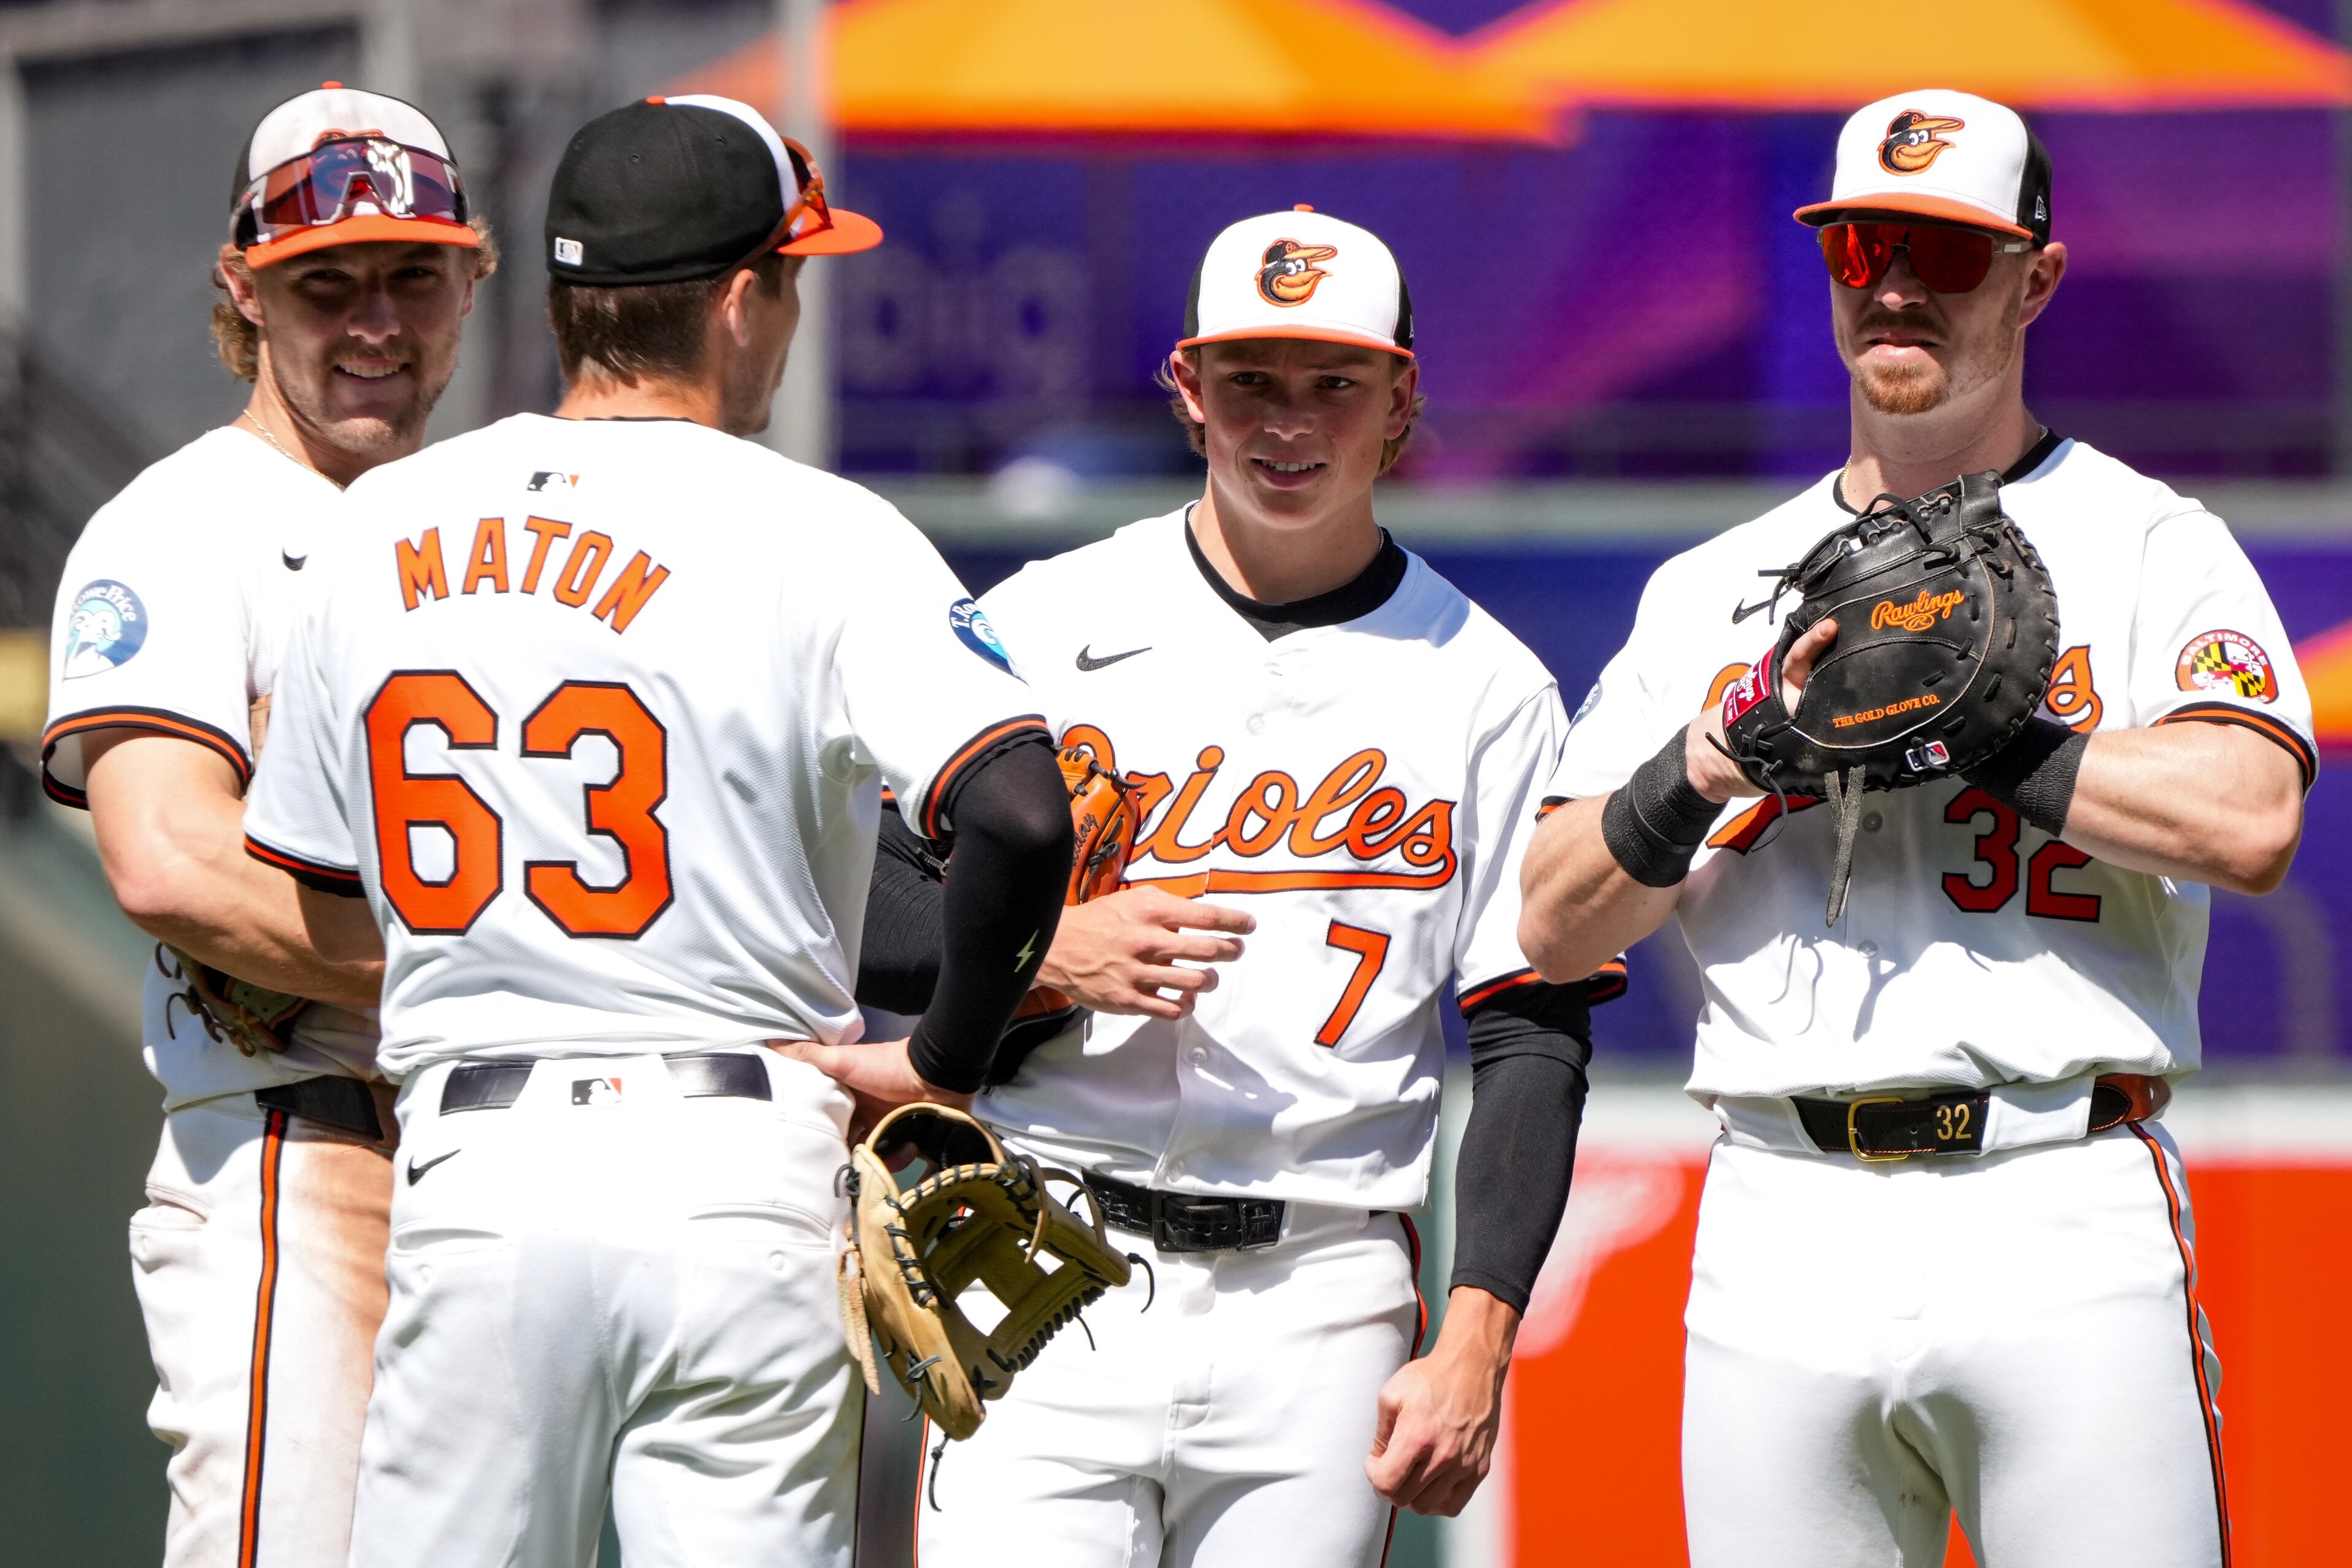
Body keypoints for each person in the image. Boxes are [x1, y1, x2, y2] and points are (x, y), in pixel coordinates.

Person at [236, 94, 1074, 1566]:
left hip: (471, 1176)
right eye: (795, 280)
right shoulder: (822, 529)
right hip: (735, 1170)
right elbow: (1017, 811)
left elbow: (312, 888)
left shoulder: (380, 524)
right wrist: (940, 1062)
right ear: (742, 299)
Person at [1519, 89, 2312, 1568]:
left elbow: (2255, 815)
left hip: (2058, 1195)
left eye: (1946, 253)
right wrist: (1712, 762)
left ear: (2037, 276)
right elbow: (1553, 919)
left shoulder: (2151, 542)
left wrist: (1998, 735)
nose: (1894, 283)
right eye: (1863, 243)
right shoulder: (1714, 588)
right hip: (1779, 1215)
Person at [861, 207, 1618, 1567]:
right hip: (1042, 1251)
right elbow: (867, 912)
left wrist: (1478, 1333)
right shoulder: (1040, 621)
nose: (1291, 422)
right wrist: (1050, 955)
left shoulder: (1488, 683)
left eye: (1336, 384)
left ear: (1401, 401)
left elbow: (1529, 1026)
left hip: (1322, 1291)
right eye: (1253, 381)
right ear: (1187, 387)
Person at [39, 83, 493, 1567]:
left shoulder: (494, 522)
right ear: (245, 288)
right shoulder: (183, 526)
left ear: (472, 279)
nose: (375, 321)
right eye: (325, 281)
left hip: (502, 1182)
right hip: (301, 1158)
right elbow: (168, 862)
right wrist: (510, 968)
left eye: (413, 274)